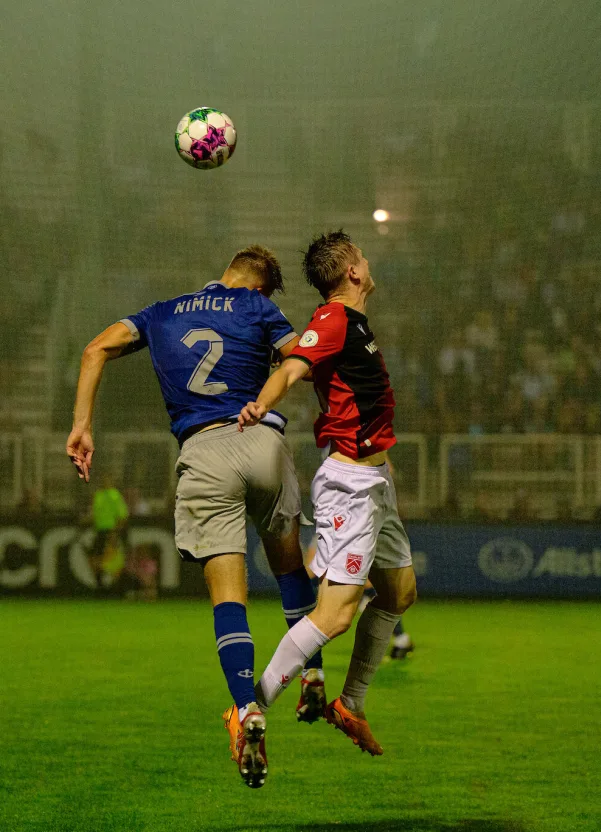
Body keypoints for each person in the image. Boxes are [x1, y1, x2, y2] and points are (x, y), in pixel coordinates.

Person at [66, 245, 325, 789]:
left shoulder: (159, 312)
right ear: (257, 288)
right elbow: (302, 361)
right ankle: (314, 674)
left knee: (228, 598)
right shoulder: (258, 310)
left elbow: (94, 350)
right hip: (264, 441)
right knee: (288, 572)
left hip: (205, 451)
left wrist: (83, 426)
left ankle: (245, 709)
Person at [239, 230, 416, 756]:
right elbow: (293, 367)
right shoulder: (332, 319)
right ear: (353, 273)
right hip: (350, 485)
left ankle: (351, 703)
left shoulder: (353, 322)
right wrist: (258, 404)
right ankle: (249, 706)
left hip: (375, 481)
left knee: (399, 593)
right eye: (362, 255)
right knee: (337, 614)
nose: (368, 260)